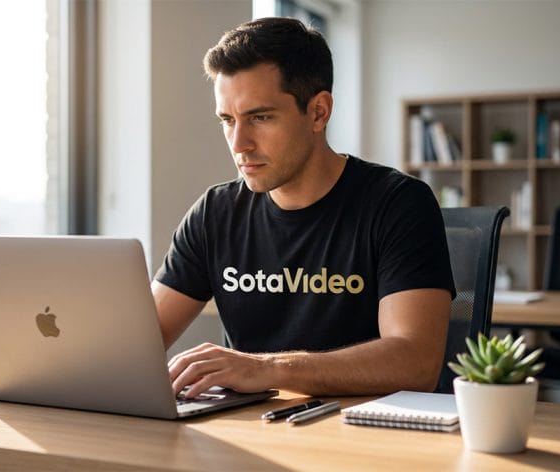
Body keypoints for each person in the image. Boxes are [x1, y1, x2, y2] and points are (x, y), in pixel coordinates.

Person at [152, 17, 455, 399]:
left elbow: (416, 363)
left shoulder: (398, 204)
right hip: (250, 426)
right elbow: (136, 344)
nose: (239, 143)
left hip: (365, 429)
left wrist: (266, 369)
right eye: (227, 120)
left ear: (318, 112)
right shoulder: (215, 214)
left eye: (260, 117)